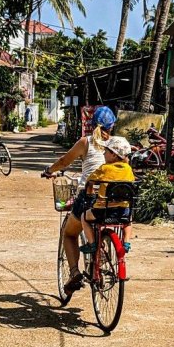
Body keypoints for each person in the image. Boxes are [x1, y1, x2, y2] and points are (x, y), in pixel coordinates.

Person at [43, 106, 116, 297]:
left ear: (92, 125)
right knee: (102, 223)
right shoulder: (117, 145)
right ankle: (100, 258)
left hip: (90, 196)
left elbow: (64, 161)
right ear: (112, 126)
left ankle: (75, 272)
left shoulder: (87, 142)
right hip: (113, 198)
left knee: (69, 233)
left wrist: (50, 171)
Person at [81, 136, 135, 256]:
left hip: (103, 211)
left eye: (106, 151)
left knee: (84, 217)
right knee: (128, 221)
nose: (104, 154)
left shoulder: (104, 169)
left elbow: (90, 181)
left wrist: (89, 191)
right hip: (123, 211)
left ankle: (92, 244)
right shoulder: (128, 169)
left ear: (114, 155)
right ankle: (126, 243)